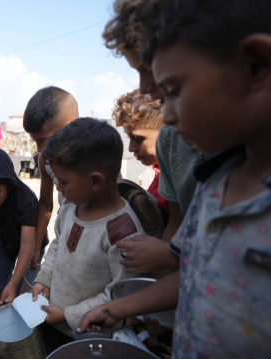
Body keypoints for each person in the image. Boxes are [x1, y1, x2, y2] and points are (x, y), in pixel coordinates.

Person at [79, 1, 271, 357]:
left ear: (256, 66)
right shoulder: (215, 185)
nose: (165, 113)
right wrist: (115, 309)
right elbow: (195, 275)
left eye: (174, 92)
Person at [100, 0, 201, 276]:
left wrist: (168, 258)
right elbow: (177, 227)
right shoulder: (171, 142)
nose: (144, 86)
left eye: (149, 68)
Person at [31, 118, 145, 339]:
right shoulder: (71, 206)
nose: (57, 187)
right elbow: (57, 244)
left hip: (88, 335)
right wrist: (43, 279)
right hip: (52, 318)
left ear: (95, 181)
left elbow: (119, 296)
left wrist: (67, 314)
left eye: (63, 182)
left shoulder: (123, 233)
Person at [0, 147, 49, 306]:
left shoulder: (25, 199)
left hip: (32, 245)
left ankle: (15, 318)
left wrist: (13, 283)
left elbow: (27, 245)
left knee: (20, 288)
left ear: (9, 184)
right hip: (6, 241)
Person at [23, 86, 79, 270]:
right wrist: (36, 246)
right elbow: (46, 205)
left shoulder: (96, 158)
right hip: (66, 232)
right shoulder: (44, 160)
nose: (40, 149)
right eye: (35, 141)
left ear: (71, 126)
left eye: (44, 140)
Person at [112, 89, 169, 223]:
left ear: (167, 131)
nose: (131, 148)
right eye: (129, 138)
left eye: (138, 139)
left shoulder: (176, 178)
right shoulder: (161, 173)